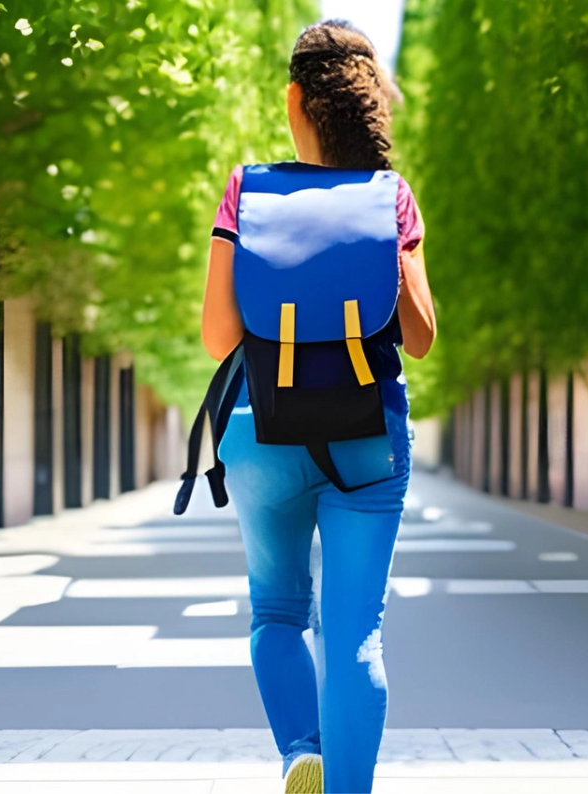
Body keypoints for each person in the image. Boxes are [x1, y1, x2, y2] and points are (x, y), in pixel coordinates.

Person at [199, 20, 435, 794]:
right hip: (368, 434)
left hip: (260, 432)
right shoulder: (390, 197)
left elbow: (216, 336)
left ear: (295, 99)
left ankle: (304, 750)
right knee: (356, 632)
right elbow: (422, 337)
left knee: (276, 613)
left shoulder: (246, 188)